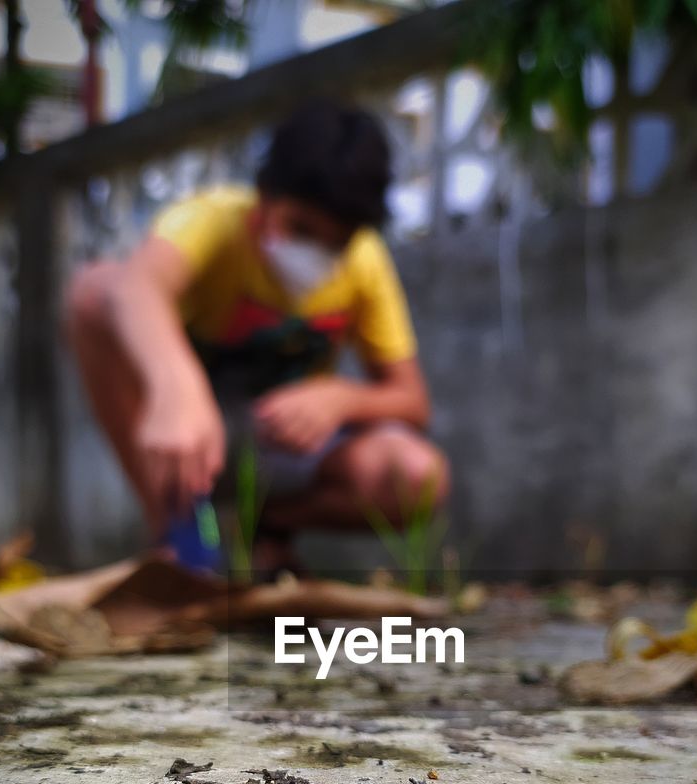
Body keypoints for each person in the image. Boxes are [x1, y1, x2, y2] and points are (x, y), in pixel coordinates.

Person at [66, 98, 450, 573]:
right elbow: (131, 288)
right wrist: (176, 386)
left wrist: (338, 398)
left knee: (417, 473)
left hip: (280, 447)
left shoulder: (365, 261)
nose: (317, 252)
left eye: (337, 242)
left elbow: (412, 401)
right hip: (185, 436)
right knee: (93, 289)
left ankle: (257, 530)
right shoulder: (214, 220)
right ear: (265, 198)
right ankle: (174, 531)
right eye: (301, 229)